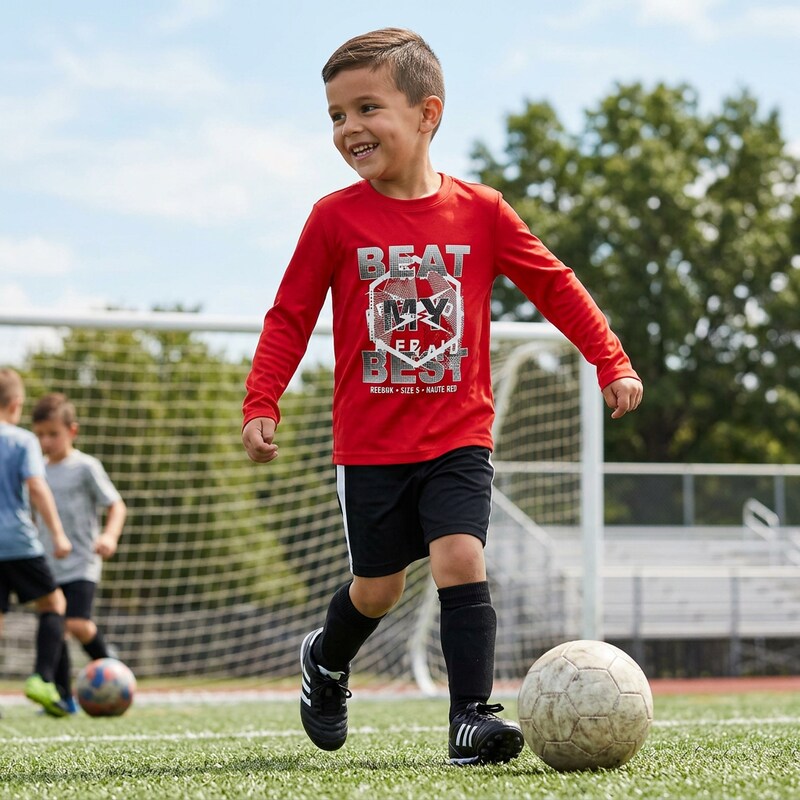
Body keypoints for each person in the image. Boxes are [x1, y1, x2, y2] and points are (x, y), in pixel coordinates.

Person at [242, 28, 643, 766]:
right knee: (378, 590)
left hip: (460, 434)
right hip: (370, 446)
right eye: (335, 115)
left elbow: (554, 284)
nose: (349, 128)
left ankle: (469, 718)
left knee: (461, 557)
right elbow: (290, 315)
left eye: (367, 107)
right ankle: (326, 662)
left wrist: (608, 358)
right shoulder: (334, 219)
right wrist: (261, 401)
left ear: (428, 113)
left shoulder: (482, 210)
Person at [32, 392, 127, 713]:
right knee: (54, 627)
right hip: (48, 563)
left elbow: (116, 505)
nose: (46, 441)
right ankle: (62, 698)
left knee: (77, 624)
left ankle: (114, 669)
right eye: (41, 434)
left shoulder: (86, 467)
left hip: (84, 561)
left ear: (72, 431)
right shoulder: (36, 471)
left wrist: (109, 536)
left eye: (53, 434)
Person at [0, 368, 73, 716]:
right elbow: (37, 486)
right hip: (16, 540)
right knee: (54, 604)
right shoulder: (22, 440)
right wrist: (57, 533)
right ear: (16, 404)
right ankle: (42, 678)